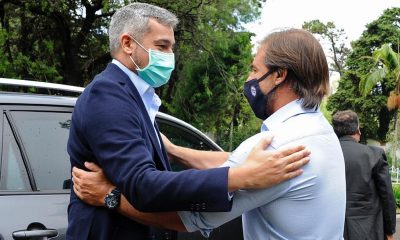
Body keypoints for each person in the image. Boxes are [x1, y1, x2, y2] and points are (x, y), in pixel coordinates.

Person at [72, 28, 346, 239]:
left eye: (254, 69)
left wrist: (109, 195)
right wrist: (175, 151)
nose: (249, 79)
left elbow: (187, 219)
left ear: (279, 75)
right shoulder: (317, 131)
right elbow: (236, 160)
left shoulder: (279, 146)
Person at [332, 110, 396, 240]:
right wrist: (390, 230)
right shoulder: (374, 155)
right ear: (357, 130)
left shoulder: (324, 155)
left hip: (333, 230)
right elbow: (387, 196)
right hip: (369, 230)